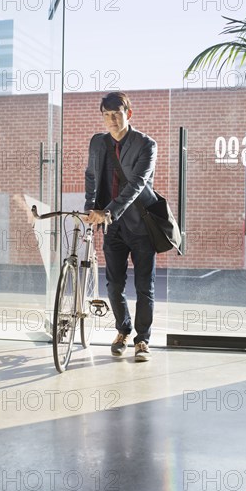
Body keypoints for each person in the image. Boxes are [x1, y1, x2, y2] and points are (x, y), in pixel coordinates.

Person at [84, 91, 157, 362]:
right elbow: (91, 175)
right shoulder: (97, 142)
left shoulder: (146, 144)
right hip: (111, 227)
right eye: (107, 115)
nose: (112, 120)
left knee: (144, 287)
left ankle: (143, 340)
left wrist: (108, 212)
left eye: (117, 114)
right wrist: (90, 209)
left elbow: (136, 185)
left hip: (141, 227)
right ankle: (123, 330)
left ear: (129, 113)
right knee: (114, 286)